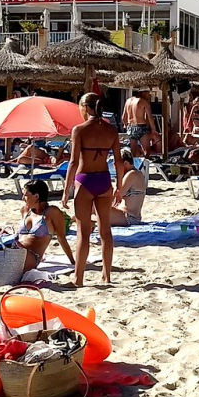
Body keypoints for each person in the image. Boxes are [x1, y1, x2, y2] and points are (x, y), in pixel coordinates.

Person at [64, 93, 127, 286]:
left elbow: (73, 162)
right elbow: (118, 161)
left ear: (85, 107)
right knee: (105, 230)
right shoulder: (111, 130)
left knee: (83, 231)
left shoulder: (79, 130)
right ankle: (106, 276)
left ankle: (78, 278)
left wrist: (66, 190)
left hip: (85, 181)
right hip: (104, 181)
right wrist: (119, 186)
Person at [0, 179, 72, 271]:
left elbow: (61, 238)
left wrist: (73, 262)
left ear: (36, 196)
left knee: (9, 246)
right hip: (15, 248)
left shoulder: (52, 212)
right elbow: (21, 236)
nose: (23, 198)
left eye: (25, 195)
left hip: (30, 256)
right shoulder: (25, 210)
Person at [109, 148, 146, 226]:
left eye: (116, 165)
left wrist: (119, 176)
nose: (114, 168)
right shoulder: (135, 173)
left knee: (97, 206)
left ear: (125, 163)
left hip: (128, 217)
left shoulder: (132, 174)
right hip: (126, 216)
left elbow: (117, 194)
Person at [121, 90, 155, 157]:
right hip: (141, 126)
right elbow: (150, 117)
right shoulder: (143, 102)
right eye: (148, 93)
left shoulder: (128, 101)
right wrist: (154, 130)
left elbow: (123, 118)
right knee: (147, 151)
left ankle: (134, 165)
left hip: (130, 127)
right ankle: (145, 165)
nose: (149, 95)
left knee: (133, 152)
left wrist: (126, 125)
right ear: (143, 92)